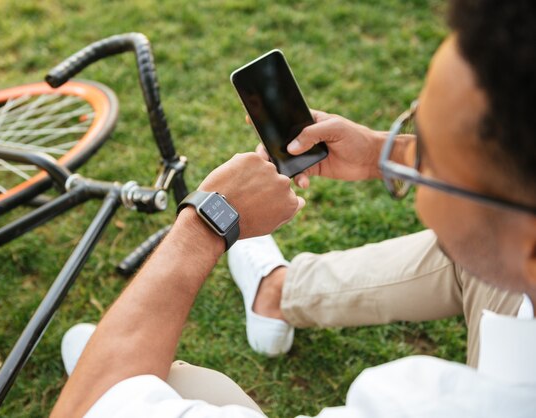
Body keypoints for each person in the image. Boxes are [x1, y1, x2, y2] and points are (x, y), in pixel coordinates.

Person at [51, 0, 536, 416]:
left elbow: (83, 407)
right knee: (473, 249)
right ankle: (275, 297)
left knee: (135, 376)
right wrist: (382, 154)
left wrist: (209, 219)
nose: (411, 162)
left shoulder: (424, 404)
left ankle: (243, 310)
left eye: (433, 162)